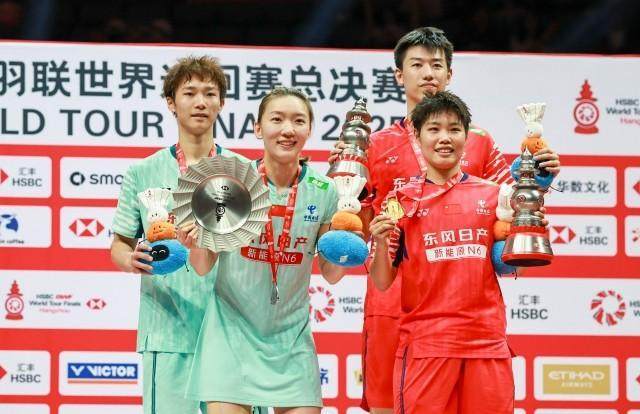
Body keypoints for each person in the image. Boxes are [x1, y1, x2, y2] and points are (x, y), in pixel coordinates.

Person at [330, 27, 561, 413]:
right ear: (399, 75)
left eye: (436, 65)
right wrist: (340, 177)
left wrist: (540, 180)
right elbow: (356, 217)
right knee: (388, 404)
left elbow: (509, 210)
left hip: (468, 309)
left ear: (450, 74)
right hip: (392, 297)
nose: (428, 74)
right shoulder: (373, 145)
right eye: (417, 65)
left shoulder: (479, 140)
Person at [182, 86, 348, 414]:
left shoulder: (325, 190)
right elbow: (202, 266)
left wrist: (346, 244)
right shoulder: (232, 183)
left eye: (298, 121)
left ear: (309, 130)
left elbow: (331, 274)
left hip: (291, 339)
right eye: (277, 119)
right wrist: (196, 242)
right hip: (230, 333)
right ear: (258, 128)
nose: (288, 129)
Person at [369, 91, 530, 414]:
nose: (445, 138)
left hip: (486, 345)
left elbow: (517, 268)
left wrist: (528, 220)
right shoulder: (400, 201)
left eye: (454, 129)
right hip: (427, 346)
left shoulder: (495, 196)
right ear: (418, 137)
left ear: (466, 137)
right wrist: (381, 242)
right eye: (434, 129)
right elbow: (383, 281)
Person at [110, 55, 242, 414]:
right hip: (167, 328)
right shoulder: (143, 171)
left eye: (210, 94)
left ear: (221, 103)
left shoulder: (243, 171)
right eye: (190, 93)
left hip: (233, 328)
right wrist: (131, 259)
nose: (201, 102)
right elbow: (119, 244)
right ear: (171, 103)